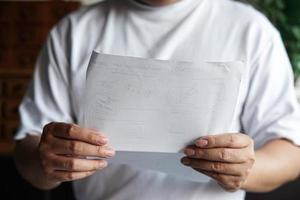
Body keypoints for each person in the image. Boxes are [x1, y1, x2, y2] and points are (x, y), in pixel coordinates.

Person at [14, 0, 300, 199]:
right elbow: (28, 151)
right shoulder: (73, 31)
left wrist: (246, 169)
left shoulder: (251, 29)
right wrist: (46, 160)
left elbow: (290, 152)